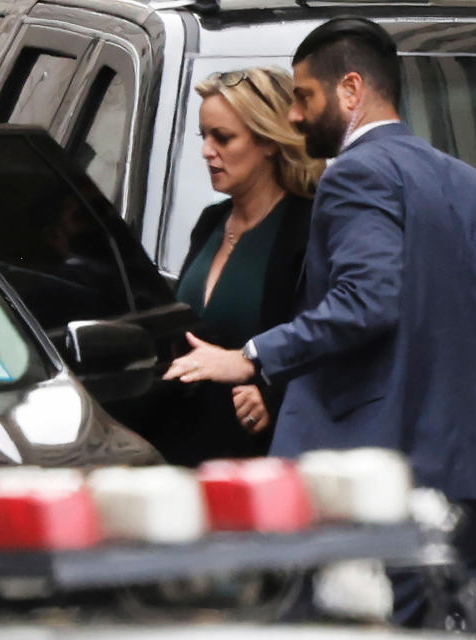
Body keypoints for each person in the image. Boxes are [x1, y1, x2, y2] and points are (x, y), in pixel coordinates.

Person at [164, 17, 476, 626]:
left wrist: (252, 356)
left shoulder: (355, 173)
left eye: (304, 97)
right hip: (474, 476)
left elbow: (367, 298)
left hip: (374, 484)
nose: (293, 117)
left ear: (350, 90)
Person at [171, 66, 324, 465]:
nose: (207, 150)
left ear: (269, 141)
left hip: (262, 458)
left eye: (223, 137)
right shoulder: (211, 222)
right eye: (204, 136)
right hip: (189, 450)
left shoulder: (307, 227)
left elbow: (325, 336)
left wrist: (270, 392)